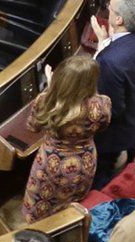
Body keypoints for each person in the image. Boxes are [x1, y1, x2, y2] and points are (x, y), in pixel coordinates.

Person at [18, 53, 109, 222]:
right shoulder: (102, 104)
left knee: (41, 209)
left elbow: (32, 127)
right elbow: (103, 127)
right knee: (70, 207)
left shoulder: (47, 101)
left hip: (52, 165)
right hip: (84, 161)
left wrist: (51, 89)